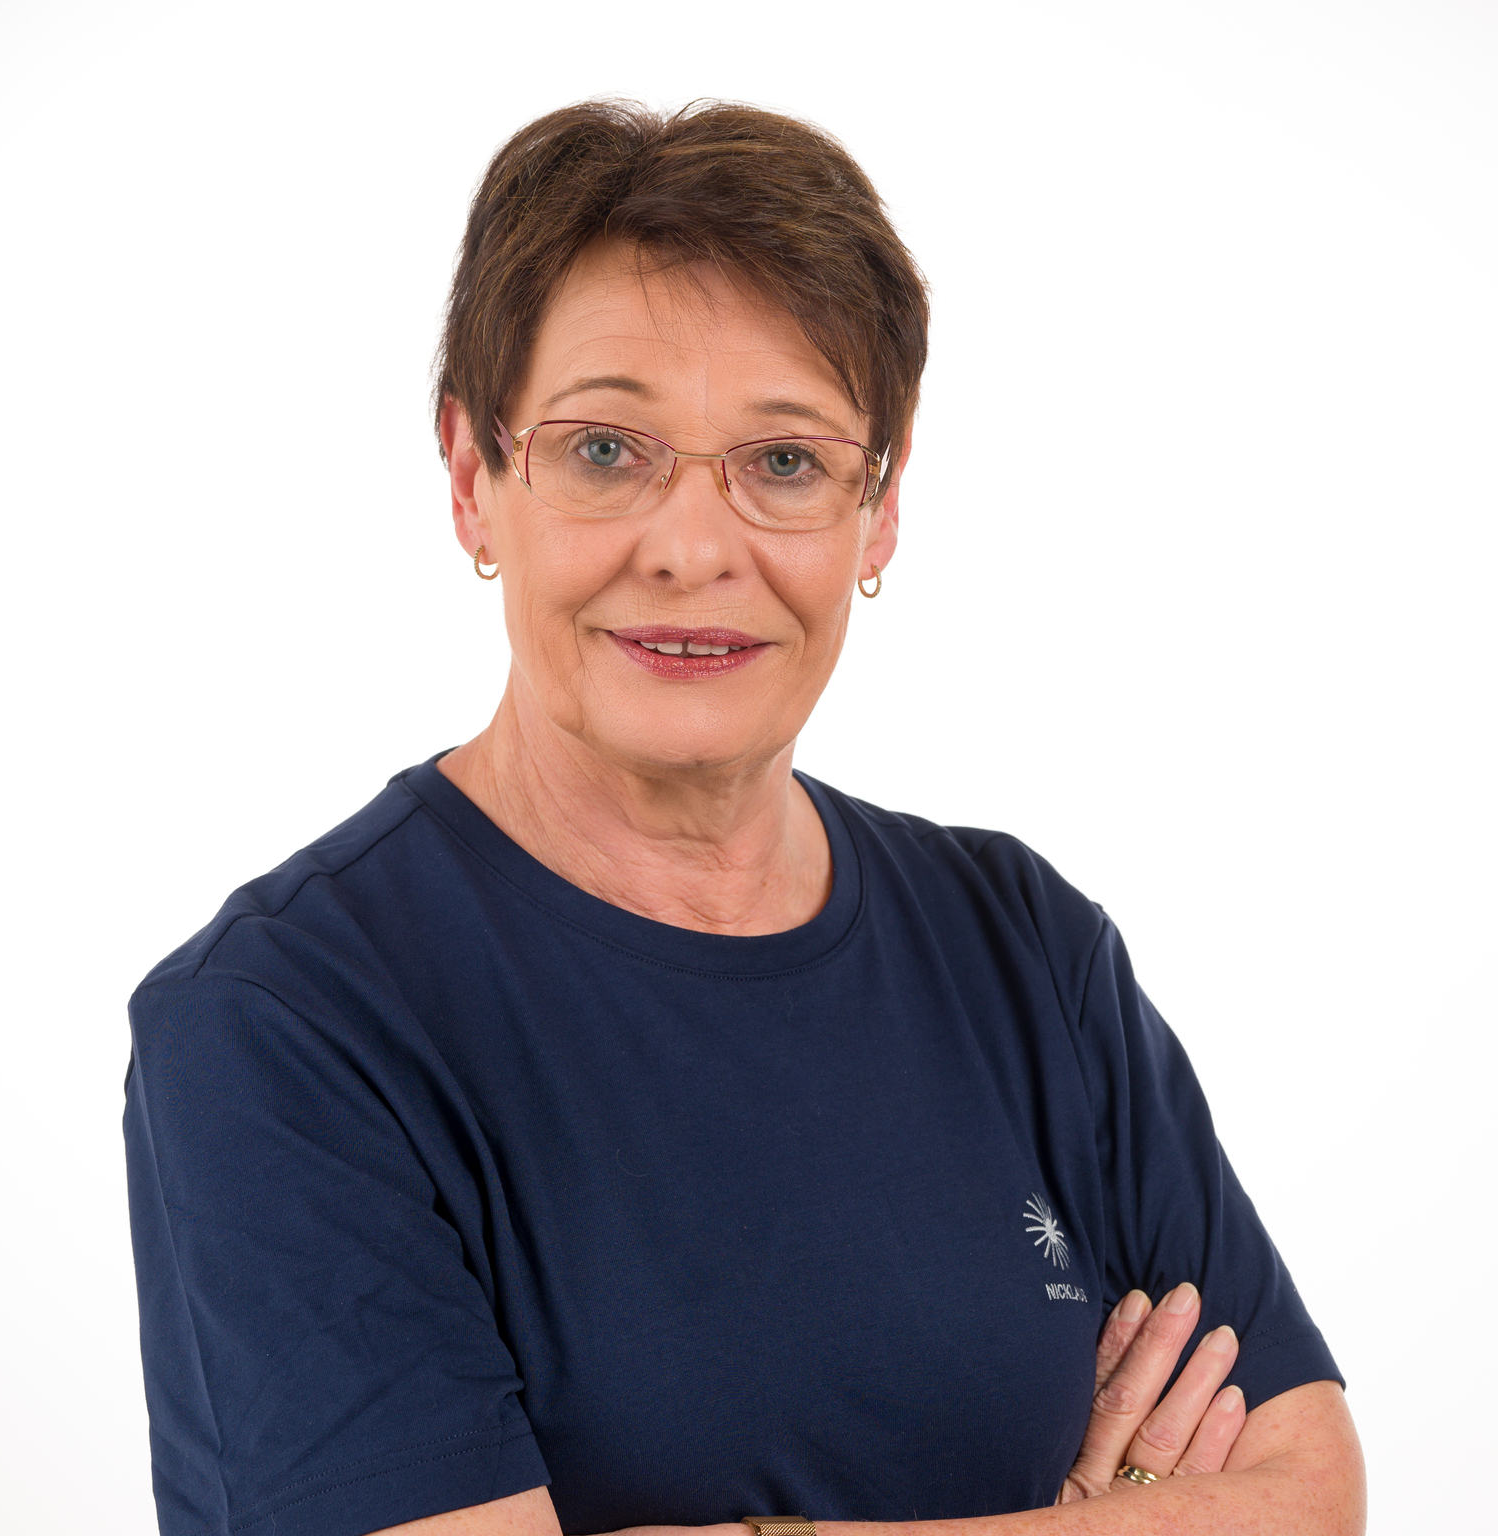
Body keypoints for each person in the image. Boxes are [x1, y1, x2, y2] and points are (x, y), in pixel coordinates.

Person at [123, 100, 1365, 1536]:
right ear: (474, 481)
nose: (695, 548)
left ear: (877, 514)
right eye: (605, 451)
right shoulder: (287, 1022)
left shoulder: (1024, 951)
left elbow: (1311, 1494)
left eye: (785, 463)